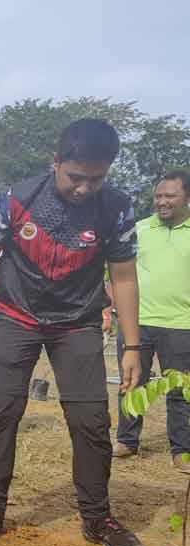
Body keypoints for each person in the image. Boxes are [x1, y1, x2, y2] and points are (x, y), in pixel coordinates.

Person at [0, 119, 144, 546]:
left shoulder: (116, 208)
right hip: (17, 316)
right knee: (0, 412)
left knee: (91, 421)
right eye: (76, 177)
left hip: (77, 321)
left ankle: (98, 518)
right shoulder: (16, 200)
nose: (85, 188)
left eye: (96, 178)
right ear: (55, 162)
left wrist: (131, 347)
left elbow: (125, 277)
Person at [113, 170, 190, 468]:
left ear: (186, 198)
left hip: (182, 324)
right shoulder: (139, 229)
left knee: (180, 391)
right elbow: (117, 272)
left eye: (170, 195)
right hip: (138, 322)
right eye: (158, 196)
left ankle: (182, 450)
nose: (162, 202)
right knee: (132, 382)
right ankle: (127, 440)